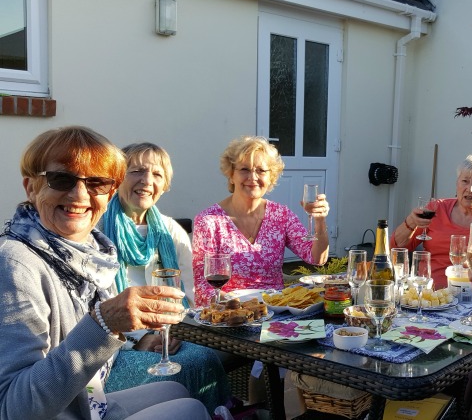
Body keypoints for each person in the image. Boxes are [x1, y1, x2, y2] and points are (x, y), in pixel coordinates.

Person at [0, 126, 209, 419]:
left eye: (97, 183)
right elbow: (13, 408)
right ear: (31, 187)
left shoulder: (90, 253)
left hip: (86, 400)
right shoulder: (15, 264)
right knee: (190, 409)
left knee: (176, 390)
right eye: (62, 179)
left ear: (110, 192)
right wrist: (104, 324)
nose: (80, 194)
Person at [100, 142, 230, 411]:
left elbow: (189, 296)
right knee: (174, 372)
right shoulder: (97, 228)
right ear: (117, 176)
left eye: (157, 174)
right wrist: (138, 341)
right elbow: (90, 305)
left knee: (204, 359)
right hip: (113, 350)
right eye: (136, 171)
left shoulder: (171, 232)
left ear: (165, 185)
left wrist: (170, 334)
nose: (147, 180)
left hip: (168, 336)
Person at [192, 136, 330, 306]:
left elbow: (317, 258)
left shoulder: (281, 215)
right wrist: (232, 308)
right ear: (231, 175)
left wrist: (320, 221)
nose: (253, 177)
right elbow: (202, 286)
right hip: (230, 315)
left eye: (261, 171)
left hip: (276, 314)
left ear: (271, 178)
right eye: (245, 169)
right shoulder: (209, 222)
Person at [391, 155, 472, 289]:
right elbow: (395, 248)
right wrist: (411, 221)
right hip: (429, 293)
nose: (470, 188)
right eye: (465, 181)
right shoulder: (436, 208)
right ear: (457, 184)